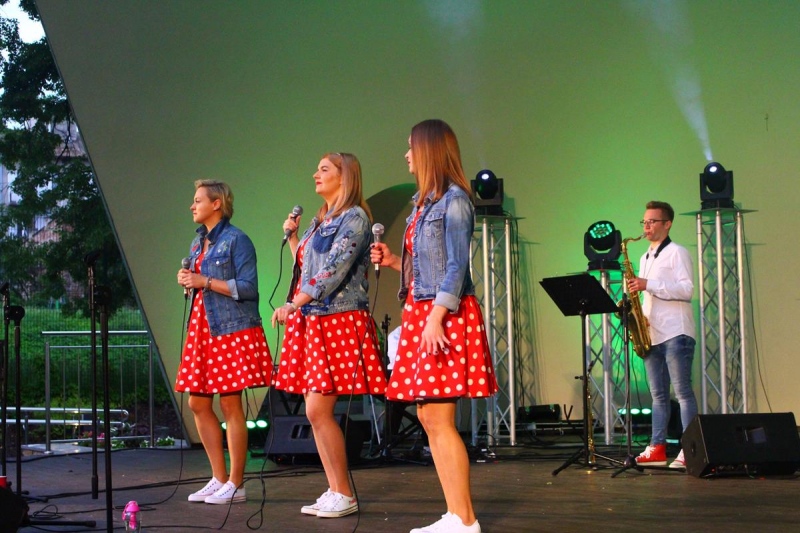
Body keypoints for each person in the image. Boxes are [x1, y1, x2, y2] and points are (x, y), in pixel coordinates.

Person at [370, 119, 497, 533]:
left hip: (443, 315)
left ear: (428, 151)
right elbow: (429, 266)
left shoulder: (455, 201)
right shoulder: (423, 204)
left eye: (411, 147)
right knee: (427, 417)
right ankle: (454, 513)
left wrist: (437, 316)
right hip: (422, 311)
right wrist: (395, 262)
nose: (406, 154)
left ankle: (465, 519)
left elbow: (457, 267)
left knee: (439, 419)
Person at [271, 152, 386, 519]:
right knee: (314, 410)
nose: (315, 175)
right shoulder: (321, 220)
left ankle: (344, 492)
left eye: (324, 169)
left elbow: (334, 271)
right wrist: (294, 239)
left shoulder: (355, 218)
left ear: (345, 177)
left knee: (318, 409)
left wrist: (293, 304)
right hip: (314, 319)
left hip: (337, 318)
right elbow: (308, 267)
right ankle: (336, 488)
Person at [175, 179, 274, 504]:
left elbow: (248, 288)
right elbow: (201, 283)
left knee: (230, 404)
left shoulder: (236, 239)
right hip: (203, 328)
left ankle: (236, 482)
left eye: (198, 200)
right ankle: (218, 477)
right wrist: (189, 280)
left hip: (229, 328)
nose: (192, 206)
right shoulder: (197, 242)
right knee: (197, 403)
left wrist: (204, 280)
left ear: (216, 203)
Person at [628, 200, 698, 469]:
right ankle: (657, 448)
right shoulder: (645, 257)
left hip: (676, 332)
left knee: (682, 393)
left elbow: (686, 290)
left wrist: (649, 284)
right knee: (658, 396)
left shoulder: (677, 252)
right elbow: (650, 295)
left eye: (652, 221)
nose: (646, 226)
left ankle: (689, 449)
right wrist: (642, 318)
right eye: (644, 221)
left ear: (667, 224)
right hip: (653, 334)